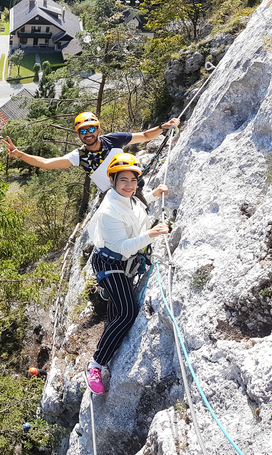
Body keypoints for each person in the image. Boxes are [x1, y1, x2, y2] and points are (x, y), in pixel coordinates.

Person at [83, 152, 170, 394]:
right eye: (123, 180)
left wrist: (155, 194)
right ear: (112, 181)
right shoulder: (109, 210)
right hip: (110, 263)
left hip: (121, 261)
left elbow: (138, 210)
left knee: (116, 313)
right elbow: (122, 246)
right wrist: (151, 234)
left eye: (133, 180)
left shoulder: (131, 197)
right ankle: (96, 365)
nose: (130, 185)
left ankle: (110, 334)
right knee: (127, 312)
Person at [2, 112, 180, 191]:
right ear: (79, 134)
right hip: (113, 196)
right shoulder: (79, 156)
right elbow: (47, 163)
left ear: (98, 130)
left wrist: (163, 127)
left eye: (91, 129)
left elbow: (145, 135)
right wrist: (19, 154)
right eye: (83, 131)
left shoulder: (113, 139)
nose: (88, 134)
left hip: (135, 186)